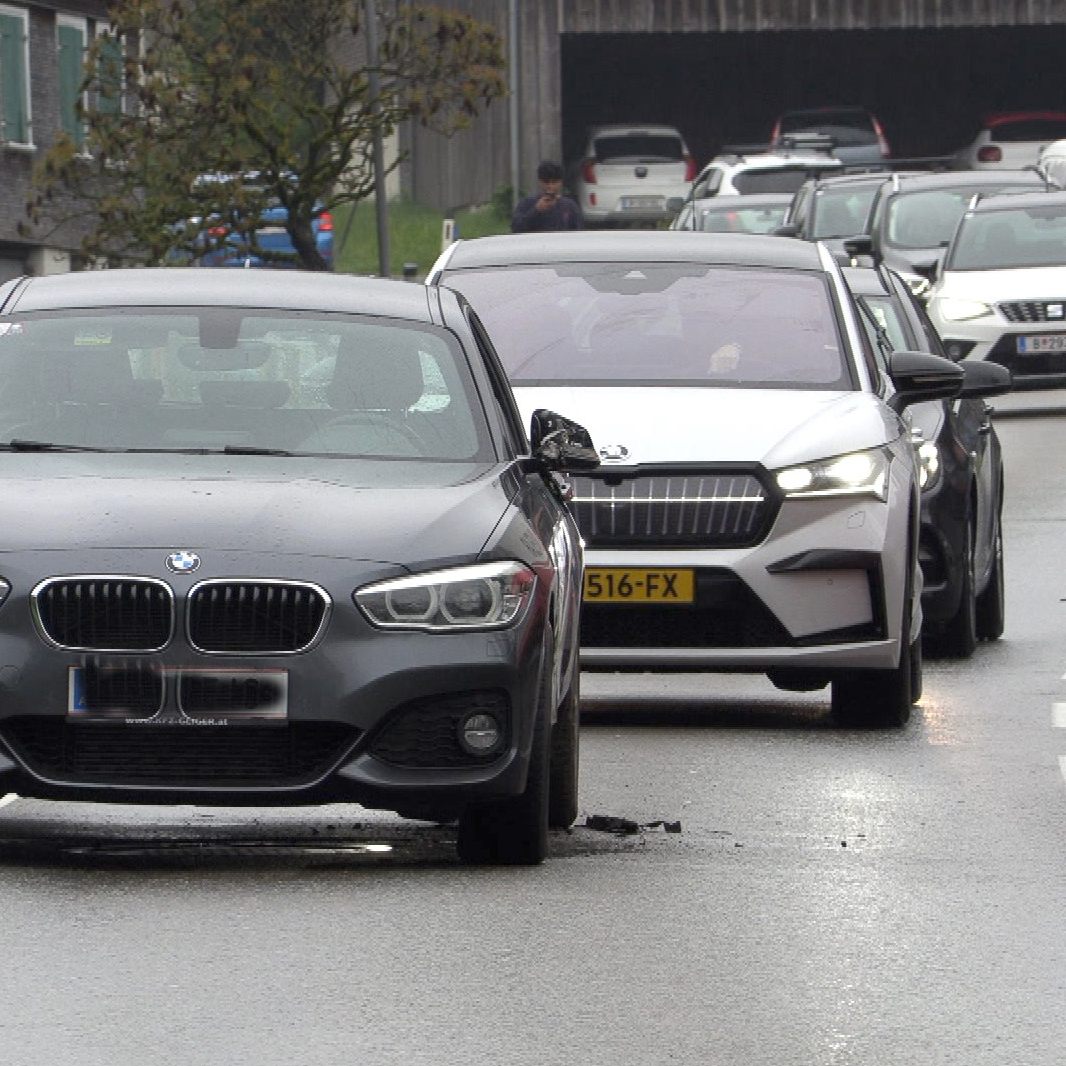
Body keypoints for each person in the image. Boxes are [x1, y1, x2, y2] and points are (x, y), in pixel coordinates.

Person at [511, 161, 583, 232]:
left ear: (560, 182)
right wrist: (536, 210)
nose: (550, 186)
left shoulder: (570, 206)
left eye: (554, 182)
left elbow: (577, 234)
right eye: (546, 182)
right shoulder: (527, 203)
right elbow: (516, 228)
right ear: (540, 182)